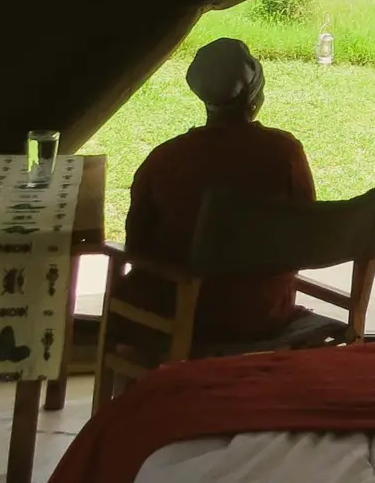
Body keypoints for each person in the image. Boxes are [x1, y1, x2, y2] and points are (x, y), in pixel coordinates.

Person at [121, 37, 315, 344]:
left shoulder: (165, 159)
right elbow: (305, 230)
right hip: (262, 314)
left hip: (179, 313)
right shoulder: (284, 153)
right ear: (254, 95)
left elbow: (137, 245)